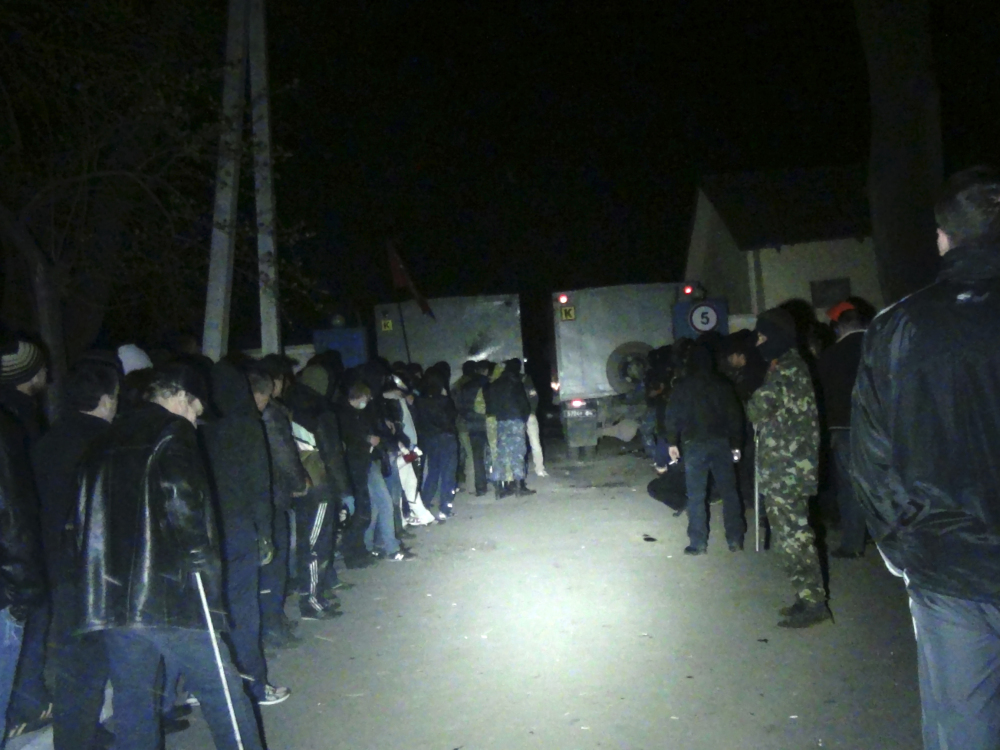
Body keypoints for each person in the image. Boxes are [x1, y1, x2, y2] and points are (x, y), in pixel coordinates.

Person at [852, 166, 1000, 750]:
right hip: (946, 561)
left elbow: (871, 455)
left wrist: (900, 543)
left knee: (962, 724)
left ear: (944, 236)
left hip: (949, 567)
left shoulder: (900, 327)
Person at [74, 363, 265, 750]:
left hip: (113, 598)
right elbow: (186, 513)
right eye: (195, 409)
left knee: (133, 701)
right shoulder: (172, 432)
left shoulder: (103, 438)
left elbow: (80, 521)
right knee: (222, 693)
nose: (195, 420)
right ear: (180, 396)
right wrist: (210, 591)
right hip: (173, 593)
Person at [30, 359, 119, 750]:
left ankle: (79, 732)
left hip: (55, 563)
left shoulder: (50, 438)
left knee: (72, 660)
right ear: (104, 400)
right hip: (92, 567)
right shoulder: (105, 442)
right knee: (92, 658)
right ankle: (80, 738)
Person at [202, 361, 289, 706]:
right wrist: (265, 535)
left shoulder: (198, 427)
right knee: (243, 610)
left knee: (211, 609)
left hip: (206, 532)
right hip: (239, 530)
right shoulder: (246, 426)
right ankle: (253, 685)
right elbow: (259, 486)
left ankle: (210, 684)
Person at [746, 308, 830, 628]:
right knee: (790, 535)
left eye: (763, 337)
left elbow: (757, 408)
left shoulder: (786, 369)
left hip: (787, 469)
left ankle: (813, 603)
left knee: (794, 537)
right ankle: (805, 595)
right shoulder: (789, 365)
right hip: (788, 467)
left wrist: (754, 392)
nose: (758, 343)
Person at [0, 340, 53, 739]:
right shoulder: (13, 423)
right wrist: (25, 584)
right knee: (29, 626)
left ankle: (27, 702)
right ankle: (25, 706)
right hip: (13, 568)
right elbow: (14, 508)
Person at [660, 344, 745, 555]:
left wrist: (672, 442)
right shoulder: (723, 384)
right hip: (721, 444)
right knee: (730, 492)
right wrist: (736, 444)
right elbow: (735, 416)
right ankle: (735, 539)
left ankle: (698, 542)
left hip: (694, 445)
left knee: (696, 494)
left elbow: (672, 415)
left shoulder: (683, 386)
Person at [257, 355, 311, 646]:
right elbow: (284, 451)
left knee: (268, 563)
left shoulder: (236, 411)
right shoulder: (271, 412)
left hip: (257, 496)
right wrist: (298, 481)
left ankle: (271, 621)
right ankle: (273, 625)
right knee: (275, 561)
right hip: (275, 494)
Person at [816, 302, 869, 558]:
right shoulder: (881, 347)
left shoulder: (830, 357)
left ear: (838, 328)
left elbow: (821, 397)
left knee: (850, 488)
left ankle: (853, 543)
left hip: (844, 429)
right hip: (883, 429)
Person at [484, 359, 534, 498]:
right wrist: (523, 418)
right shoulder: (515, 382)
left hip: (500, 421)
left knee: (501, 454)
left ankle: (499, 489)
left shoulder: (494, 384)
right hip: (515, 420)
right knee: (517, 453)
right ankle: (519, 487)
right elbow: (524, 404)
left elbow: (490, 406)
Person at [415, 368, 459, 520]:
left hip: (430, 440)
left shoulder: (420, 401)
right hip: (446, 438)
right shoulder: (443, 400)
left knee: (433, 472)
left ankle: (424, 505)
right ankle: (444, 508)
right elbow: (451, 417)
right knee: (448, 473)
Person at [455, 361, 491, 496]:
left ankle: (480, 487)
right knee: (493, 451)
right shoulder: (488, 384)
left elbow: (459, 406)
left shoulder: (464, 386)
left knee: (476, 456)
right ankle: (498, 482)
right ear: (486, 370)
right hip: (488, 421)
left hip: (471, 423)